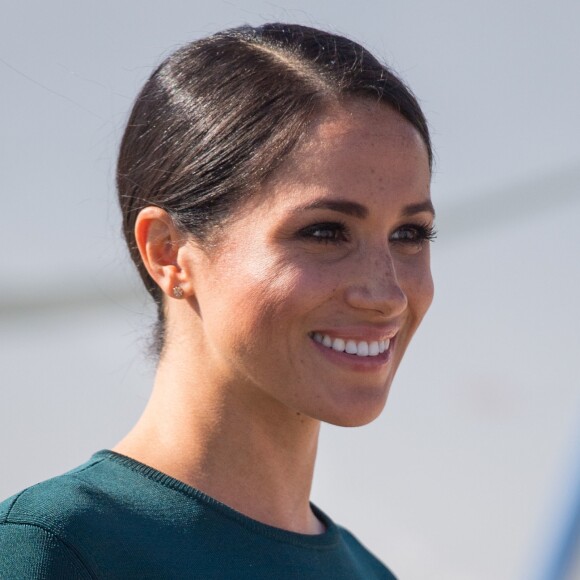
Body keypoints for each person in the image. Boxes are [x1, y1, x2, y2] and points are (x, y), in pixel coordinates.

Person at [0, 23, 435, 578]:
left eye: (411, 234)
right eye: (325, 232)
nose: (386, 293)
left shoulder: (370, 572)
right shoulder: (53, 550)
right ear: (168, 251)